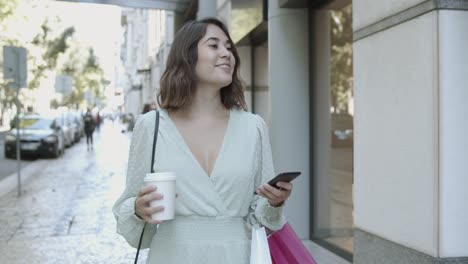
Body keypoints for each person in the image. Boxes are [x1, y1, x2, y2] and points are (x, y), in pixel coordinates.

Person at [112, 18, 293, 264]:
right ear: (187, 56)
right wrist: (138, 210)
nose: (226, 54)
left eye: (229, 47)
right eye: (214, 45)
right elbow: (133, 226)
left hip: (237, 255)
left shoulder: (254, 127)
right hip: (172, 255)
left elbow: (261, 216)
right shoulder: (151, 126)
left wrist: (274, 202)